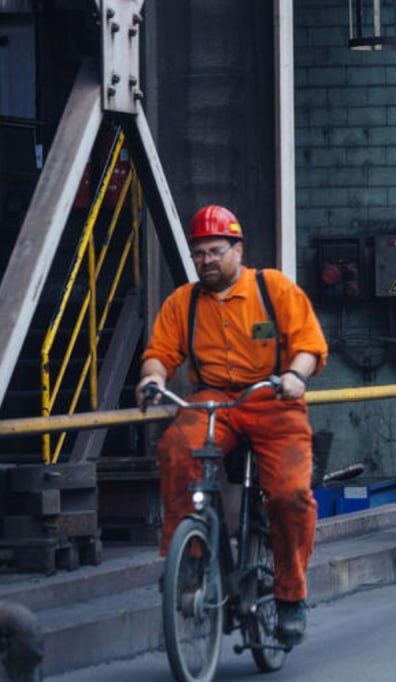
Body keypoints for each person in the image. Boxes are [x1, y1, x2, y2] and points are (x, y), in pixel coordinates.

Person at [136, 205, 327, 645]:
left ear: (238, 250)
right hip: (213, 400)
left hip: (273, 397)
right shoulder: (182, 302)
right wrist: (152, 379)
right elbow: (160, 352)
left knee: (290, 494)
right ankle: (191, 560)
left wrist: (296, 375)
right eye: (199, 252)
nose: (206, 260)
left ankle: (290, 594)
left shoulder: (272, 288)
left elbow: (308, 344)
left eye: (215, 251)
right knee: (174, 450)